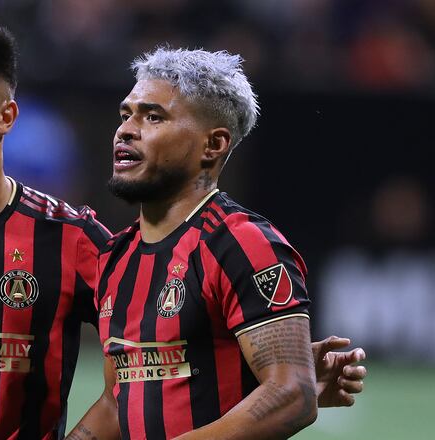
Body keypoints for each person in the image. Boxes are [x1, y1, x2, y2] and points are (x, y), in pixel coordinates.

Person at [0, 17, 366, 440]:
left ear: (6, 116)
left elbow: (170, 352)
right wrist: (279, 382)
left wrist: (278, 377)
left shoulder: (79, 243)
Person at [69, 47, 367, 440]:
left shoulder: (243, 244)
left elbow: (292, 393)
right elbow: (116, 400)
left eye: (153, 117)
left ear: (214, 145)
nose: (126, 130)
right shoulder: (115, 257)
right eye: (126, 115)